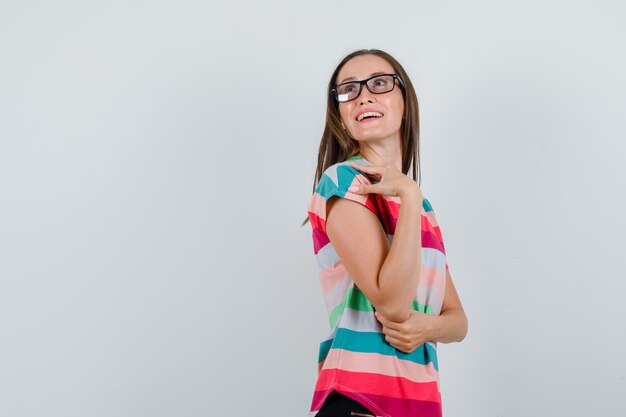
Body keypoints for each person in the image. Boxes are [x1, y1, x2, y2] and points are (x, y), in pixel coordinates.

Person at [305, 49, 468, 417]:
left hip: (418, 404)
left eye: (379, 84)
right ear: (341, 118)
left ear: (405, 102)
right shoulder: (344, 182)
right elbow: (393, 305)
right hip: (361, 400)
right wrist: (409, 195)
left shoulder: (422, 210)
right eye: (348, 90)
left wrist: (427, 327)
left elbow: (458, 321)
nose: (364, 95)